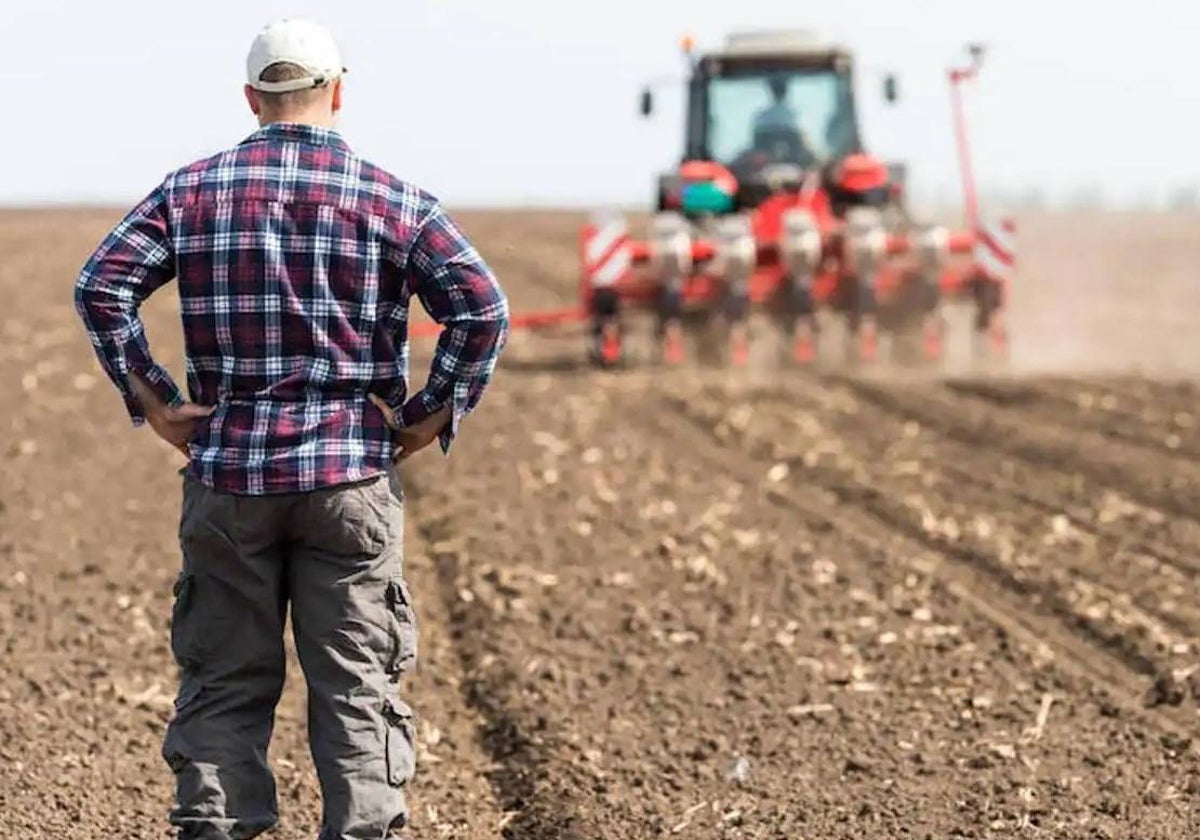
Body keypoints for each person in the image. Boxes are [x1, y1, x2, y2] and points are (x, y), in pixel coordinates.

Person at [72, 17, 509, 839]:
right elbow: (482, 307)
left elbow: (102, 286)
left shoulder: (189, 191)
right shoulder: (396, 200)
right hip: (349, 480)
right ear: (339, 91)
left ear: (251, 98)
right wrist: (429, 414)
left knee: (225, 683)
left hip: (229, 478)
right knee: (357, 688)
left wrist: (159, 403)